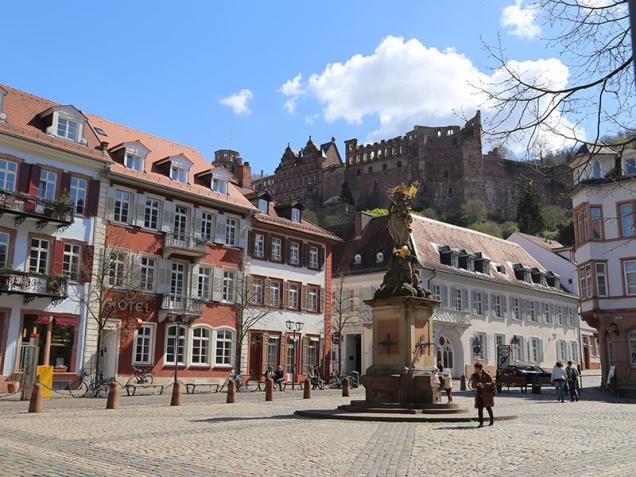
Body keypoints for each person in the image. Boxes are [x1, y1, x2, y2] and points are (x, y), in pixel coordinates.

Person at [470, 362, 495, 427]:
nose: (475, 369)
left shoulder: (486, 374)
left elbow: (492, 383)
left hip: (487, 394)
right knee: (480, 409)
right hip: (479, 394)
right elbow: (472, 385)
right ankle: (481, 423)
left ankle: (492, 421)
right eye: (475, 368)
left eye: (476, 368)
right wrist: (476, 385)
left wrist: (484, 385)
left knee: (488, 408)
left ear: (479, 368)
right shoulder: (474, 375)